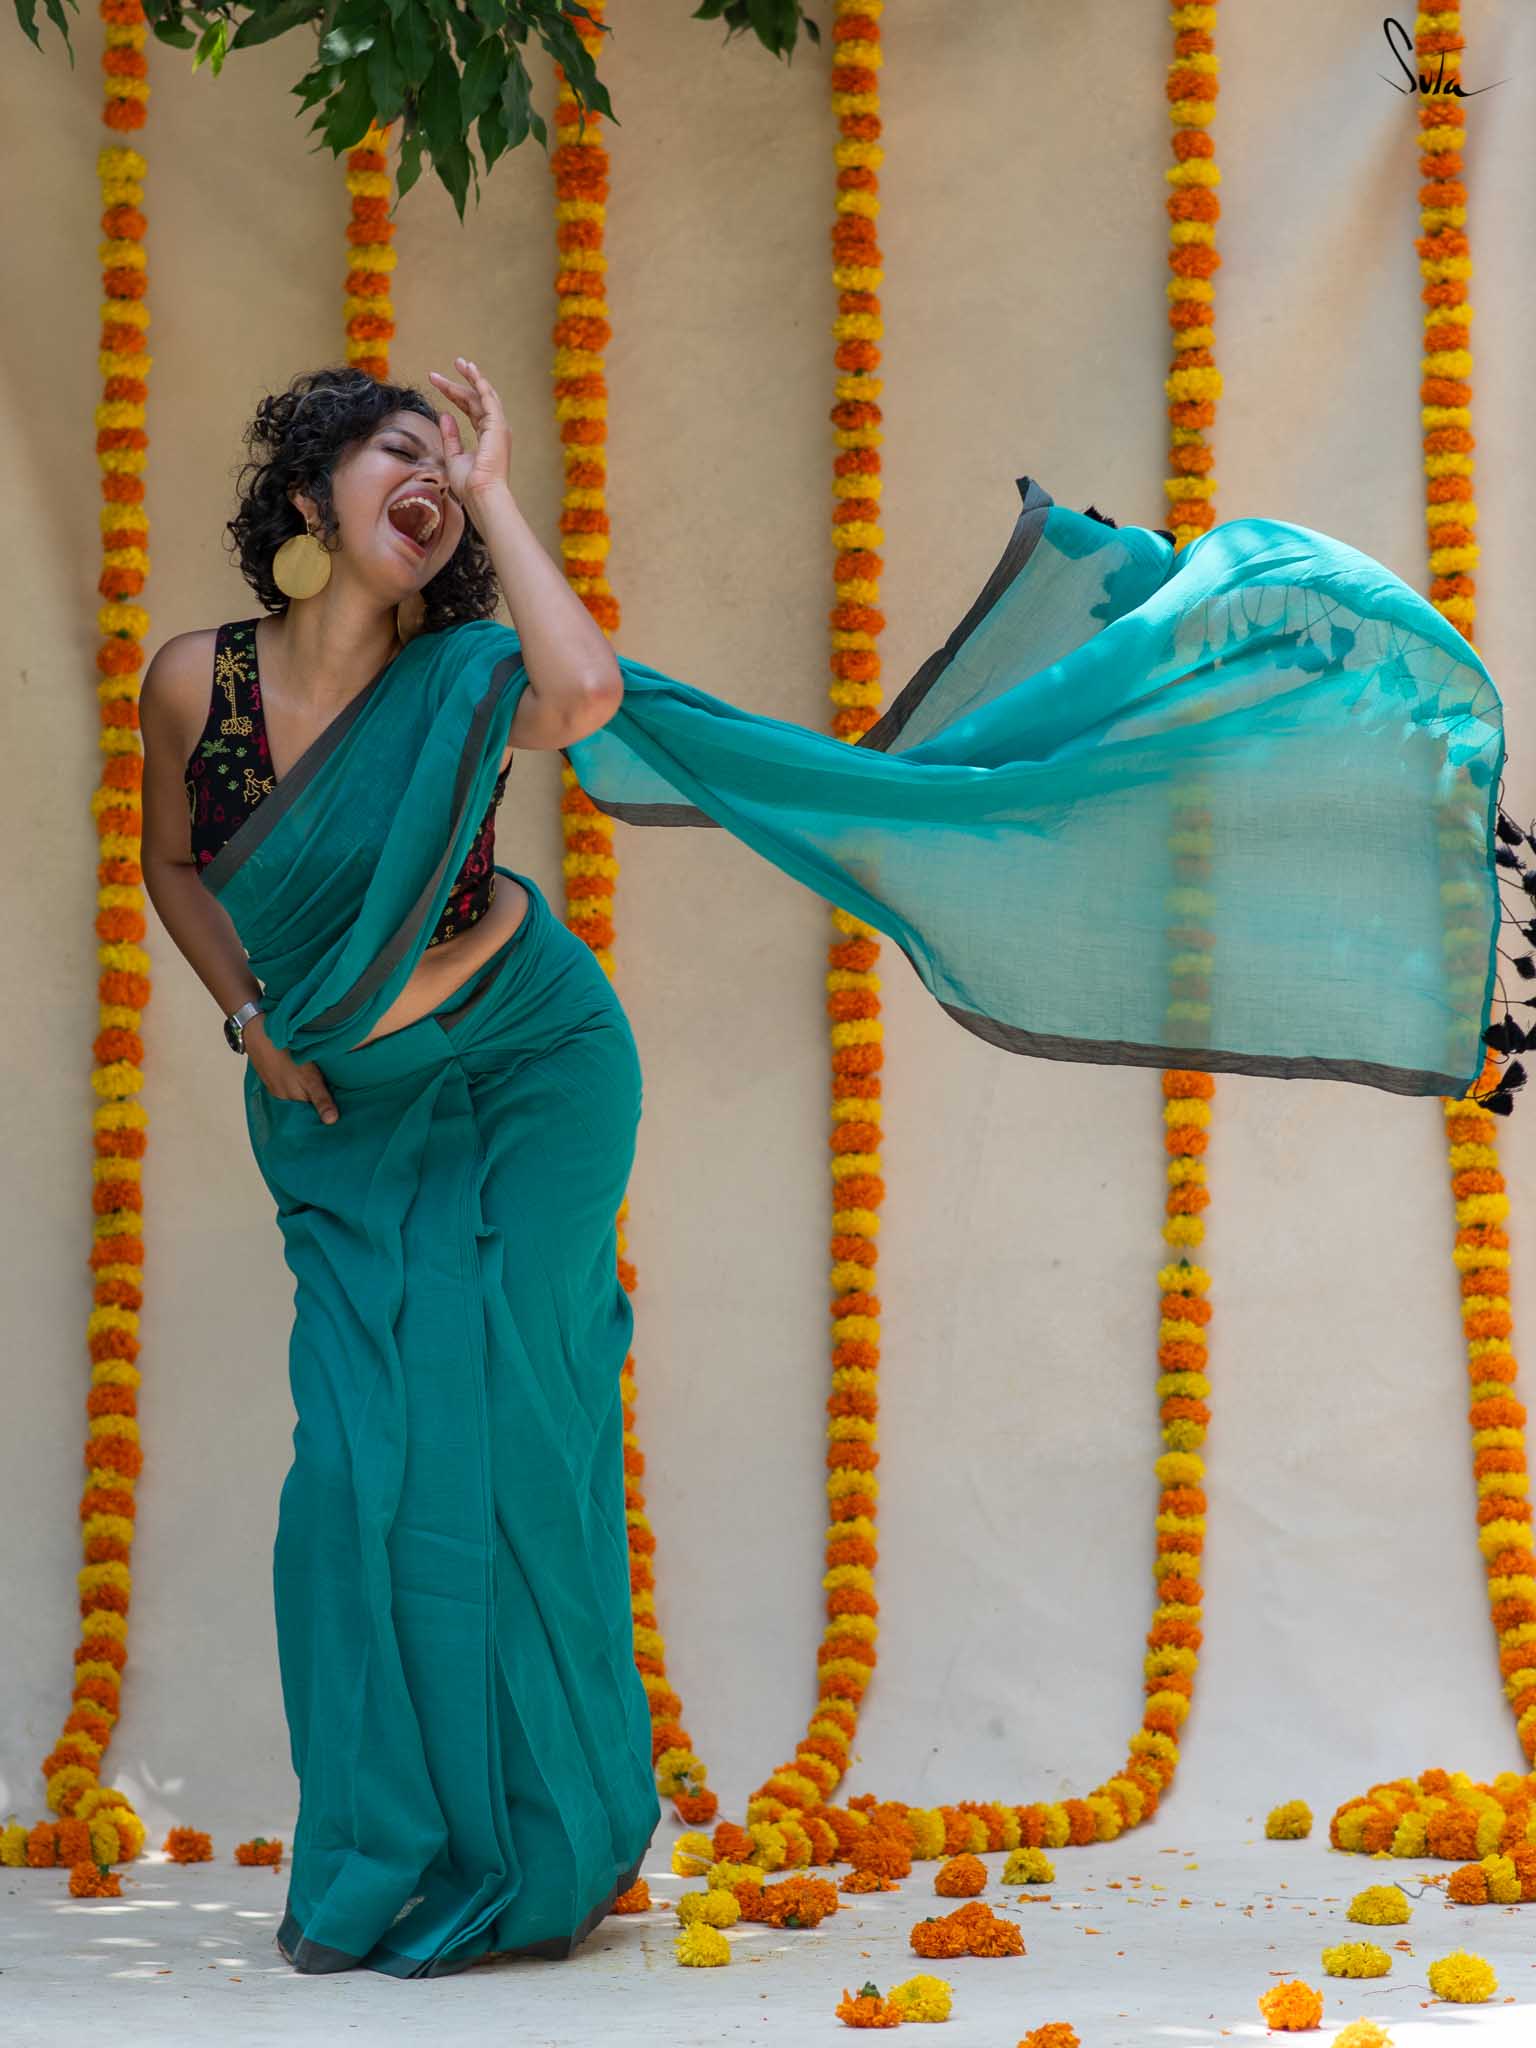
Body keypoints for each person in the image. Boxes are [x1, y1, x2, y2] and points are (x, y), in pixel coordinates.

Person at [140, 360, 1531, 1976]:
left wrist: (502, 495)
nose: (433, 478)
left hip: (529, 1069)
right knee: (354, 1473)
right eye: (402, 449)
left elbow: (584, 698)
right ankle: (379, 1855)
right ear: (309, 489)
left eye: (449, 464)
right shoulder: (195, 684)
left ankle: (543, 1846)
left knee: (519, 1432)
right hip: (343, 1113)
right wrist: (248, 1019)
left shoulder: (464, 673)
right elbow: (175, 861)